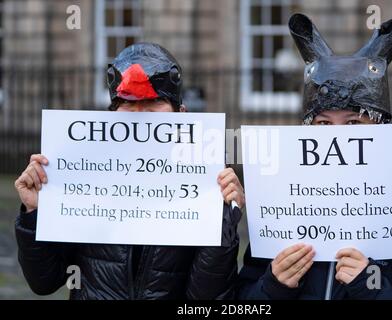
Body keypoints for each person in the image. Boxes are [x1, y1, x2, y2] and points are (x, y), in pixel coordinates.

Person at [237, 13, 392, 300]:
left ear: (380, 128)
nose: (338, 137)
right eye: (324, 124)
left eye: (353, 123)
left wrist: (371, 288)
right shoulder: (283, 203)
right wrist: (273, 286)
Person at [14, 42, 245, 300]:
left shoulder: (204, 183)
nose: (139, 116)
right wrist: (34, 213)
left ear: (181, 114)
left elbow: (206, 299)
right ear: (111, 113)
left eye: (154, 103)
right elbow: (44, 281)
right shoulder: (83, 175)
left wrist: (223, 217)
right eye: (127, 104)